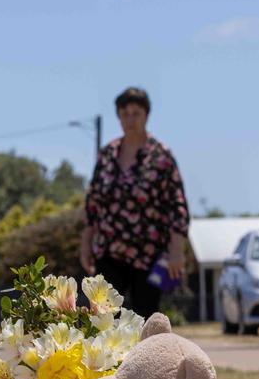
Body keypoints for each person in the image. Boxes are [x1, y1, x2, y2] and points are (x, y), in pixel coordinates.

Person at [80, 87, 190, 317]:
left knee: (146, 319)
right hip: (109, 250)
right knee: (105, 318)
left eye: (136, 113)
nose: (130, 119)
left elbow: (176, 204)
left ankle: (147, 355)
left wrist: (177, 250)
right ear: (119, 116)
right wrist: (86, 243)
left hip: (148, 253)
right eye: (125, 113)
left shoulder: (161, 155)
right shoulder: (108, 154)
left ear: (146, 115)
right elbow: (93, 203)